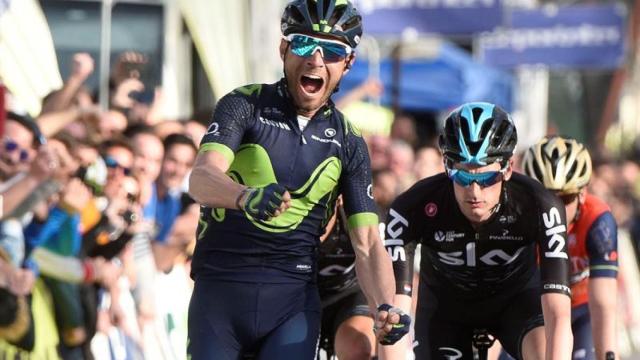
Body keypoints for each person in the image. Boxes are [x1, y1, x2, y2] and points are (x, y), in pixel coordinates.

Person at [187, 1, 410, 358]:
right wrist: (245, 197)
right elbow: (201, 178)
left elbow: (368, 241)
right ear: (283, 49)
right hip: (221, 292)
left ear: (348, 63)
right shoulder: (244, 104)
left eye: (334, 51)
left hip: (292, 302)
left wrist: (384, 305)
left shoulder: (349, 141)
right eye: (305, 44)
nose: (317, 60)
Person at [379, 102, 573, 360]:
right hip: (446, 310)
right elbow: (396, 312)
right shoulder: (412, 206)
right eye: (462, 176)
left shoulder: (539, 205)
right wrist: (391, 326)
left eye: (486, 178)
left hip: (516, 302)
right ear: (447, 166)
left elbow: (558, 315)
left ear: (508, 168)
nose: (474, 192)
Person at [523, 136, 618, 360]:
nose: (554, 208)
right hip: (534, 310)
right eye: (545, 197)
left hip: (582, 309)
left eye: (565, 198)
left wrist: (609, 355)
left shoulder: (598, 220)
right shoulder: (518, 219)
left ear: (582, 194)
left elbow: (603, 304)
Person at [318, 199, 375, 360]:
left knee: (357, 348)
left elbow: (383, 270)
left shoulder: (357, 215)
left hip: (349, 294)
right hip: (298, 296)